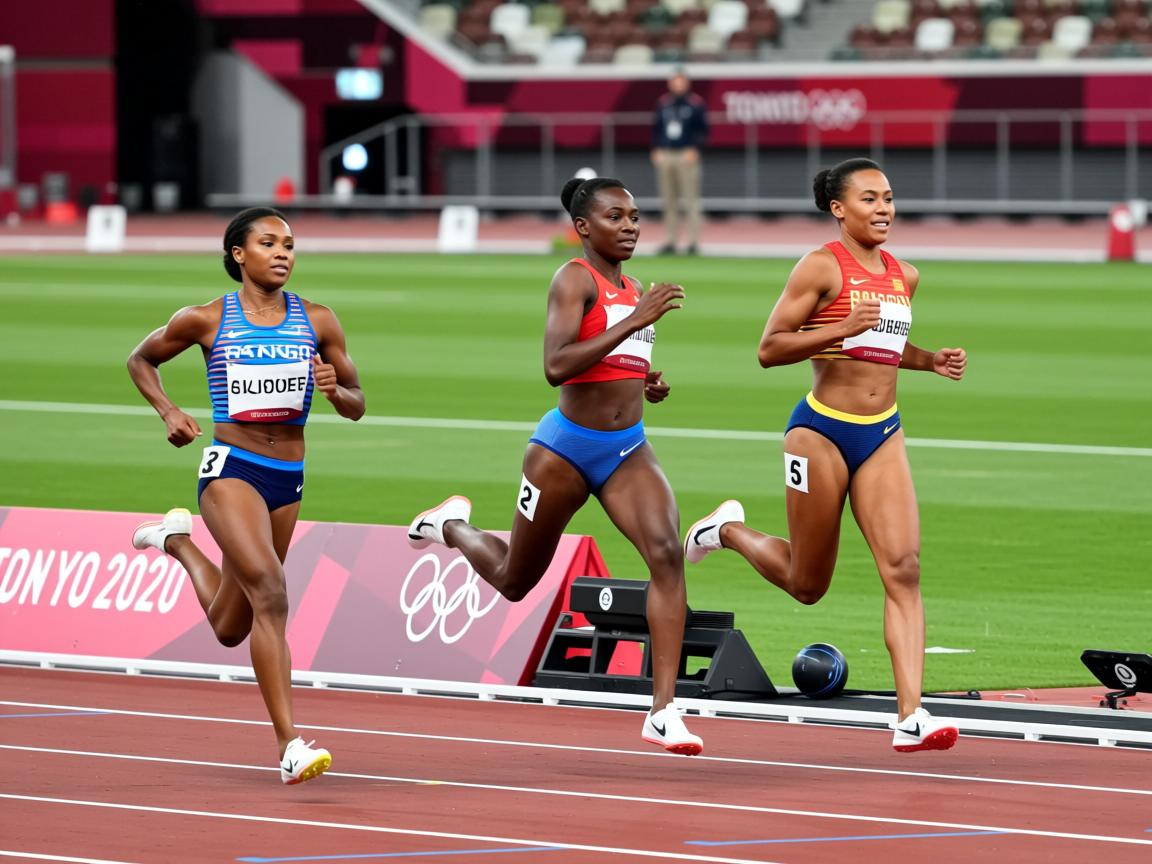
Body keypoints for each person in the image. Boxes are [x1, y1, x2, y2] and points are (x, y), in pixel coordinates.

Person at [407, 177, 703, 755]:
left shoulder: (634, 287)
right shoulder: (574, 279)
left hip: (627, 450)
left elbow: (615, 359)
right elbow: (557, 365)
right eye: (616, 217)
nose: (631, 226)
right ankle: (451, 527)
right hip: (564, 451)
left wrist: (646, 381)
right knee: (516, 581)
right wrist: (635, 321)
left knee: (667, 555)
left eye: (636, 216)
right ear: (585, 228)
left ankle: (664, 711)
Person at [683, 158, 967, 753]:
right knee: (808, 584)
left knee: (904, 568)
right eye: (869, 199)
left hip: (882, 432)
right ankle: (727, 531)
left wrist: (928, 360)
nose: (884, 208)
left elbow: (885, 345)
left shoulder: (903, 275)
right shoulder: (819, 267)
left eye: (889, 197)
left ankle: (910, 715)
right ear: (839, 209)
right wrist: (838, 332)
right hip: (820, 433)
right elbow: (770, 348)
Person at [126, 206, 365, 783]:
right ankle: (290, 746)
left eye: (289, 244)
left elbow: (357, 402)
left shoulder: (319, 320)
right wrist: (169, 411)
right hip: (232, 470)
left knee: (234, 624)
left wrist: (338, 392)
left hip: (288, 478)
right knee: (272, 592)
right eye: (268, 243)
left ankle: (177, 543)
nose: (283, 252)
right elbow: (141, 359)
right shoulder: (205, 319)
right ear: (239, 254)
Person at [651, 70, 708, 256]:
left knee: (691, 199)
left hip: (686, 154)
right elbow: (656, 129)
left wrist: (695, 149)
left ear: (686, 83)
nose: (678, 85)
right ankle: (670, 239)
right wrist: (656, 149)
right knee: (669, 200)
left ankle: (692, 241)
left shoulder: (695, 105)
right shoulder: (664, 104)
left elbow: (704, 130)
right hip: (667, 154)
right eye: (674, 82)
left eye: (680, 82)